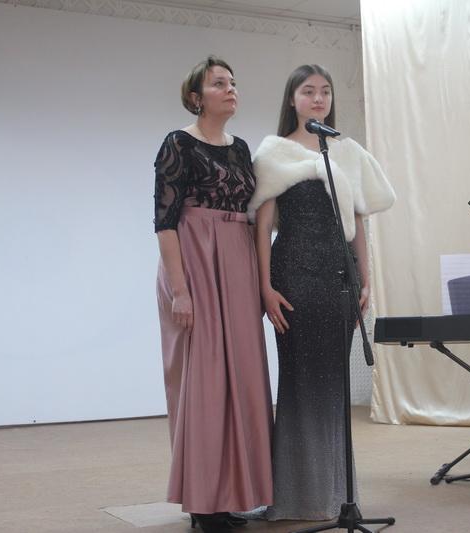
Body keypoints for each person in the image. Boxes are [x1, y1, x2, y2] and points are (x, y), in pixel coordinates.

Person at [249, 64, 396, 521]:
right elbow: (262, 227)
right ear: (292, 99)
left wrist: (366, 279)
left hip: (338, 280)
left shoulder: (346, 152)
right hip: (293, 278)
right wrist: (264, 287)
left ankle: (335, 494)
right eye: (308, 91)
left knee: (333, 386)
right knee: (298, 384)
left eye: (325, 91)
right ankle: (296, 497)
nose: (318, 99)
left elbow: (359, 223)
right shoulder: (274, 152)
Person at [154, 56, 273, 533]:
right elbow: (164, 223)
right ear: (196, 97)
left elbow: (255, 212)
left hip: (237, 262)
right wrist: (180, 290)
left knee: (242, 378)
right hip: (195, 262)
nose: (231, 89)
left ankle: (233, 495)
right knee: (204, 384)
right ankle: (203, 503)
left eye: (233, 82)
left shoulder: (241, 149)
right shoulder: (178, 143)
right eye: (219, 83)